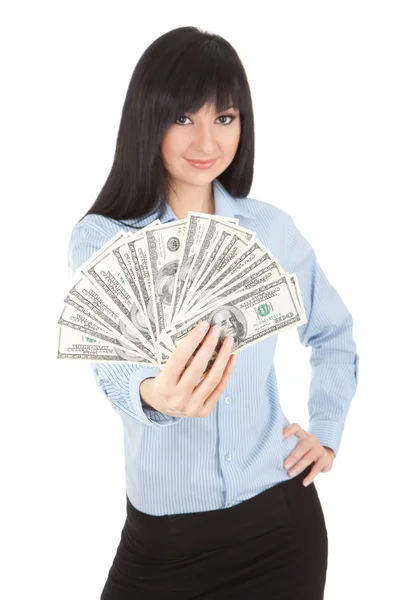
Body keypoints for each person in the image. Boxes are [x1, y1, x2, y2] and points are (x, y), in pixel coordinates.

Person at [68, 26, 359, 600]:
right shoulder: (101, 238)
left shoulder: (271, 230)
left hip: (282, 529)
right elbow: (111, 364)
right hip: (163, 546)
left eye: (224, 118)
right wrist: (154, 392)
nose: (207, 140)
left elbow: (334, 335)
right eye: (183, 118)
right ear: (147, 121)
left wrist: (325, 434)